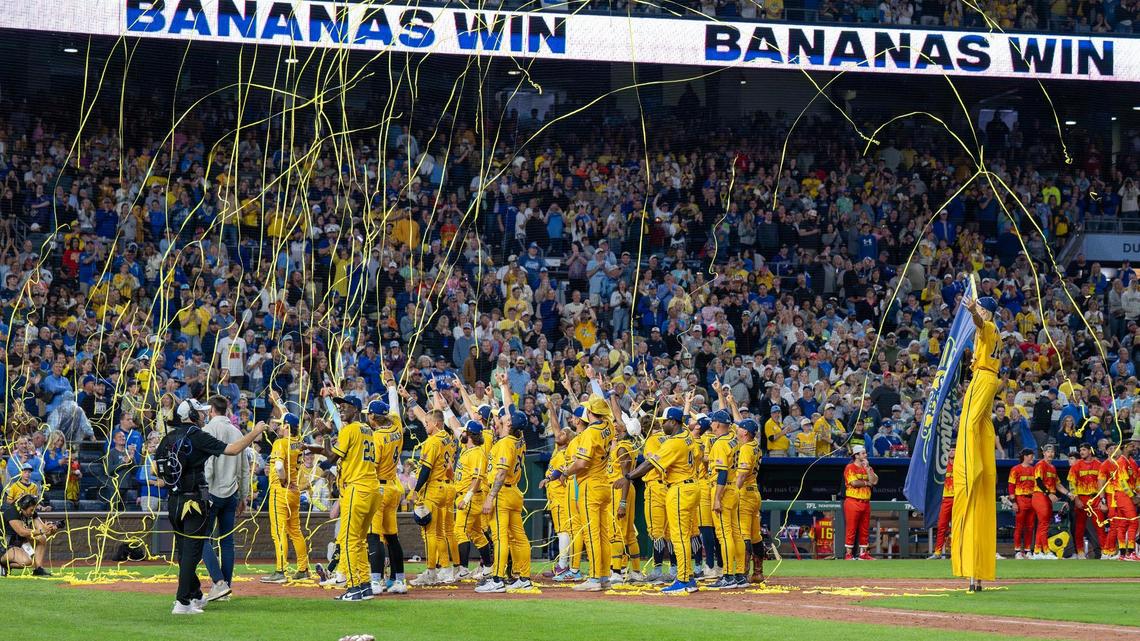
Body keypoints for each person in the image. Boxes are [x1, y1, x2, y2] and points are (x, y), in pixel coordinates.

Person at [158, 398, 266, 614]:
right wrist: (255, 432)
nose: (204, 415)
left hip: (173, 501)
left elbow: (160, 471)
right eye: (200, 412)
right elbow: (234, 450)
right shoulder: (196, 436)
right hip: (194, 502)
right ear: (193, 415)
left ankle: (195, 593)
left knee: (184, 551)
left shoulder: (169, 437)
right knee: (192, 551)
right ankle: (183, 602)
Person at [615, 405, 700, 594]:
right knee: (683, 534)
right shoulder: (686, 434)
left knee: (678, 536)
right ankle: (688, 576)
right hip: (691, 486)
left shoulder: (673, 442)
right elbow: (687, 426)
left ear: (673, 422)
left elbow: (648, 464)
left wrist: (628, 477)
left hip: (679, 489)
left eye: (665, 421)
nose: (662, 425)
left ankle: (684, 579)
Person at [951, 293, 1002, 592]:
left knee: (968, 424)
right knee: (979, 423)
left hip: (984, 377)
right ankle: (975, 577)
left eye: (982, 306)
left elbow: (980, 323)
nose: (978, 309)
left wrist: (973, 311)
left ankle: (970, 469)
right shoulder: (990, 333)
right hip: (983, 378)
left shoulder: (990, 326)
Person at [308, 393, 379, 601]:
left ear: (356, 409)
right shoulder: (367, 430)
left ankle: (354, 587)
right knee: (360, 541)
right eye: (339, 405)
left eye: (345, 405)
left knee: (348, 540)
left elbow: (330, 458)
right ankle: (365, 585)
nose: (341, 408)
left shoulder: (349, 430)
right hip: (371, 489)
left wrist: (326, 434)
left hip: (356, 488)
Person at [475, 374, 533, 594]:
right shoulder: (520, 439)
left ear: (509, 425)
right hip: (515, 493)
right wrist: (503, 386)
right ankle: (524, 578)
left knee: (500, 538)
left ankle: (497, 579)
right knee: (519, 536)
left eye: (504, 420)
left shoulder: (505, 443)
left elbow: (500, 475)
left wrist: (490, 498)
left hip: (502, 493)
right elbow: (510, 411)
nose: (500, 420)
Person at [200, 396, 255, 600]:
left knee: (202, 538)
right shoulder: (236, 431)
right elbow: (244, 468)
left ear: (211, 410)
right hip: (232, 493)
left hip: (212, 492)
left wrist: (203, 493)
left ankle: (219, 582)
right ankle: (226, 588)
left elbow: (208, 466)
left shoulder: (208, 430)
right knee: (227, 542)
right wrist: (243, 496)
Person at [562, 393, 613, 592]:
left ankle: (593, 578)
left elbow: (582, 463)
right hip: (604, 484)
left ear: (590, 412)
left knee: (592, 534)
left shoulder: (590, 434)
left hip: (590, 485)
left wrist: (566, 472)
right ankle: (604, 576)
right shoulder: (608, 426)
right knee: (603, 533)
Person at [366, 373, 410, 594]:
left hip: (380, 487)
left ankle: (375, 580)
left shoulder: (378, 437)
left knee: (374, 535)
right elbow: (395, 407)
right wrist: (391, 385)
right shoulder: (395, 425)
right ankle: (400, 580)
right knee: (392, 536)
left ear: (374, 417)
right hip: (394, 486)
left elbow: (371, 467)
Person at [260, 411, 311, 585]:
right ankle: (303, 569)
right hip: (295, 492)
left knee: (279, 533)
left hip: (281, 491)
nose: (279, 427)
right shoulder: (299, 443)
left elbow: (280, 465)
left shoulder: (281, 442)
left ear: (288, 427)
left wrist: (282, 480)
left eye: (282, 425)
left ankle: (281, 570)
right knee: (295, 531)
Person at [707, 401, 745, 589]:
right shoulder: (733, 438)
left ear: (717, 424)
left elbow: (721, 473)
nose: (711, 424)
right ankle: (739, 574)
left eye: (713, 422)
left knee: (725, 535)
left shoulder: (721, 443)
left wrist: (716, 498)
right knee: (736, 533)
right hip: (733, 488)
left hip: (723, 489)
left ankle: (728, 575)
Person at [1097, 440, 1139, 561]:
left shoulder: (1131, 462)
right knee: (1131, 522)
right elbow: (1120, 482)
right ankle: (1126, 553)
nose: (1134, 448)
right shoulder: (1119, 462)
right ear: (1124, 448)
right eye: (1131, 446)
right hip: (1120, 496)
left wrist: (1138, 495)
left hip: (1120, 495)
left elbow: (1135, 481)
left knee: (1121, 524)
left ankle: (1121, 553)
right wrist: (1102, 500)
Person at [1030, 444, 1069, 559]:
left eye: (1052, 452)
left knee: (1043, 524)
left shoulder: (1052, 467)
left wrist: (1068, 493)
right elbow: (1038, 481)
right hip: (1040, 495)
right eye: (1048, 452)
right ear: (1044, 453)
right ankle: (1045, 551)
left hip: (1046, 497)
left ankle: (1037, 551)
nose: (1050, 454)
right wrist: (1049, 494)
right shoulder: (1040, 465)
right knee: (1044, 524)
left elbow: (1057, 484)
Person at [1, 495, 57, 576]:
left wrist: (51, 530)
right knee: (27, 561)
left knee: (42, 538)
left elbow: (43, 531)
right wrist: (42, 530)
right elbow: (21, 532)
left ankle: (38, 569)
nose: (33, 512)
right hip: (4, 546)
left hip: (17, 544)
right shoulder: (12, 511)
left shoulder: (31, 513)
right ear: (23, 507)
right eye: (31, 509)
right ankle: (2, 564)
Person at [843, 444, 877, 560]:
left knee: (864, 529)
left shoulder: (867, 466)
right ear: (856, 455)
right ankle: (848, 554)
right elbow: (854, 483)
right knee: (851, 528)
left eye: (865, 453)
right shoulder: (850, 467)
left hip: (866, 502)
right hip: (853, 501)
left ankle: (863, 554)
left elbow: (875, 481)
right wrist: (867, 483)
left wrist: (868, 469)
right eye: (863, 453)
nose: (865, 455)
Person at [1068, 443, 1102, 559]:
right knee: (1080, 527)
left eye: (1084, 450)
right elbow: (1072, 485)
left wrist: (1101, 499)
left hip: (1095, 497)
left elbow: (1102, 482)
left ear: (1090, 451)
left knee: (1099, 525)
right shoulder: (1076, 466)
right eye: (1080, 450)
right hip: (1081, 498)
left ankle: (1105, 551)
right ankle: (1080, 552)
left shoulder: (1098, 465)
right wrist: (1076, 499)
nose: (1081, 452)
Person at [1008, 448, 1036, 559]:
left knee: (1030, 526)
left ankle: (1028, 550)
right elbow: (1011, 486)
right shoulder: (1015, 469)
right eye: (1031, 456)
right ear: (1025, 456)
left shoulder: (1034, 470)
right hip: (1020, 499)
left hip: (1032, 499)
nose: (1032, 458)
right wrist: (1014, 502)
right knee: (1019, 526)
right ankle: (1018, 551)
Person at [930, 448, 955, 559]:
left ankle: (956, 552)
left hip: (958, 499)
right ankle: (938, 552)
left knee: (957, 527)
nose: (952, 452)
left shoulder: (961, 465)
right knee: (941, 526)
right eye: (950, 450)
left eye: (954, 450)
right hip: (946, 498)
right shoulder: (942, 467)